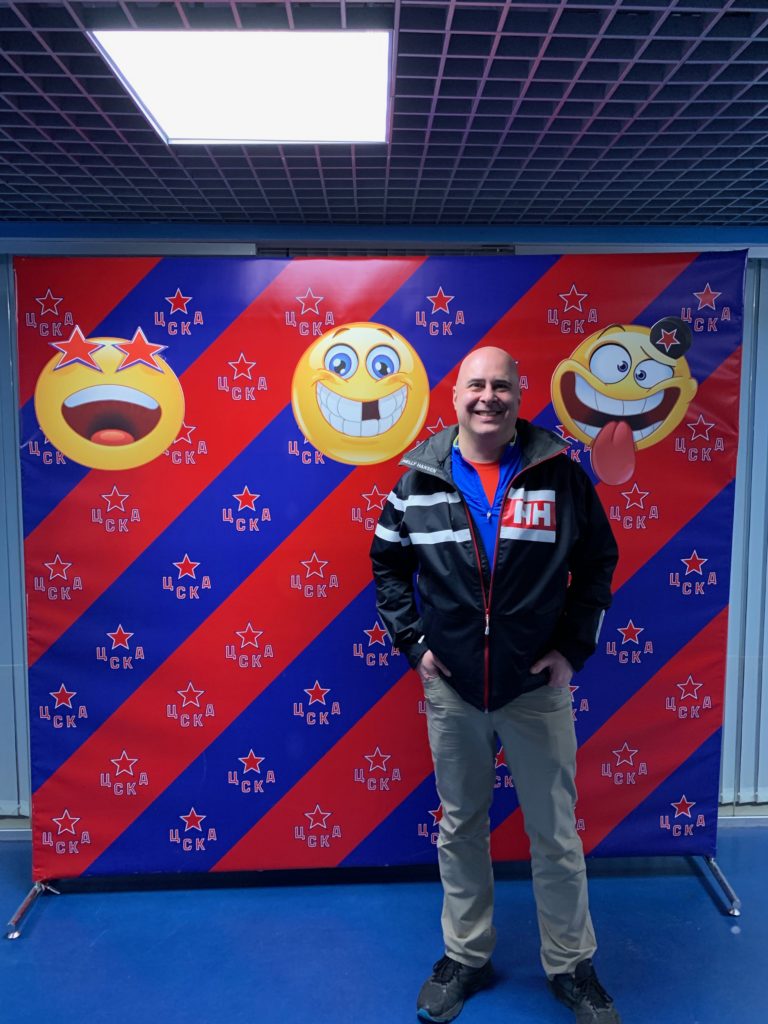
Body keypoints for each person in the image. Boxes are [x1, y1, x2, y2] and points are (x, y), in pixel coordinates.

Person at [370, 347, 621, 1024]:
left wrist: (573, 648)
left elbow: (598, 559)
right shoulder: (417, 481)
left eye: (501, 386)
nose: (489, 397)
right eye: (476, 385)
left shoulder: (560, 476)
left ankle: (571, 965)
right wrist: (414, 644)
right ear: (455, 396)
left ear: (518, 395)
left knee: (555, 833)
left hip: (534, 687)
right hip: (454, 690)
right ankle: (466, 955)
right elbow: (386, 564)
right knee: (461, 827)